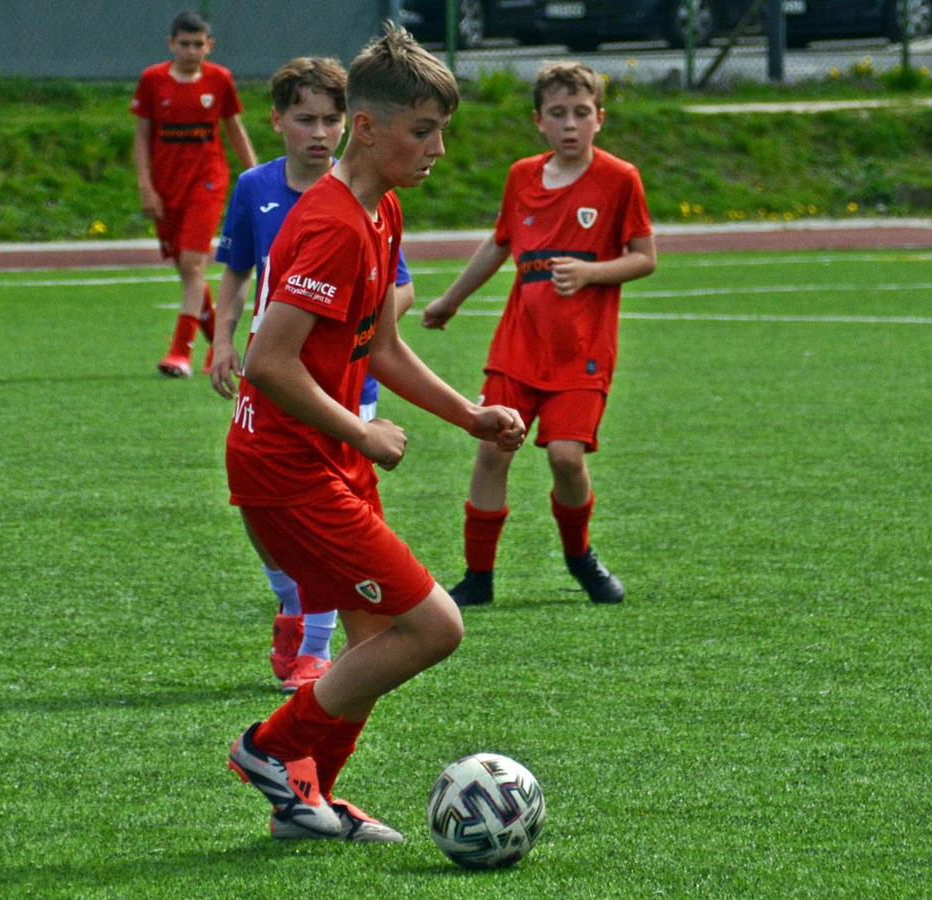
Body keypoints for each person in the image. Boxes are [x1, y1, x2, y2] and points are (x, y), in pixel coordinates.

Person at [224, 26, 526, 843]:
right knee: (433, 627)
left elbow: (381, 346)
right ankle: (270, 748)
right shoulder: (332, 224)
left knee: (375, 639)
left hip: (321, 456)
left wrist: (468, 414)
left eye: (441, 131)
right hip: (286, 465)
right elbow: (268, 363)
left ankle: (307, 801)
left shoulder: (380, 208)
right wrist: (360, 432)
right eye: (422, 131)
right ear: (366, 127)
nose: (437, 150)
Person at [209, 57, 416, 693]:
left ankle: (314, 649)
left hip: (349, 389)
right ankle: (293, 602)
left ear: (351, 123)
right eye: (306, 119)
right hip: (277, 384)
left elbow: (397, 290)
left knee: (333, 531)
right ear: (277, 122)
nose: (320, 133)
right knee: (262, 517)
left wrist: (360, 318)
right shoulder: (256, 188)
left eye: (331, 120)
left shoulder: (367, 200)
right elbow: (240, 272)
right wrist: (221, 338)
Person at [421, 61, 657, 607]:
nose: (570, 124)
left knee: (566, 459)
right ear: (538, 120)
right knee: (492, 451)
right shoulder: (522, 176)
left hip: (583, 351)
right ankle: (478, 577)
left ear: (599, 118)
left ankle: (580, 556)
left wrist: (592, 272)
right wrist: (451, 300)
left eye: (581, 113)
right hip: (518, 346)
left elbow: (644, 258)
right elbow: (499, 242)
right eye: (558, 113)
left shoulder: (620, 178)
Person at [132, 9, 257, 378]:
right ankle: (218, 345)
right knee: (185, 267)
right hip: (166, 186)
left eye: (197, 44)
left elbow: (234, 128)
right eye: (184, 44)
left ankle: (179, 352)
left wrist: (255, 174)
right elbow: (141, 136)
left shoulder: (219, 80)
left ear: (209, 46)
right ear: (171, 44)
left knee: (192, 265)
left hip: (208, 182)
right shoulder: (152, 80)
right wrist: (145, 185)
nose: (190, 50)